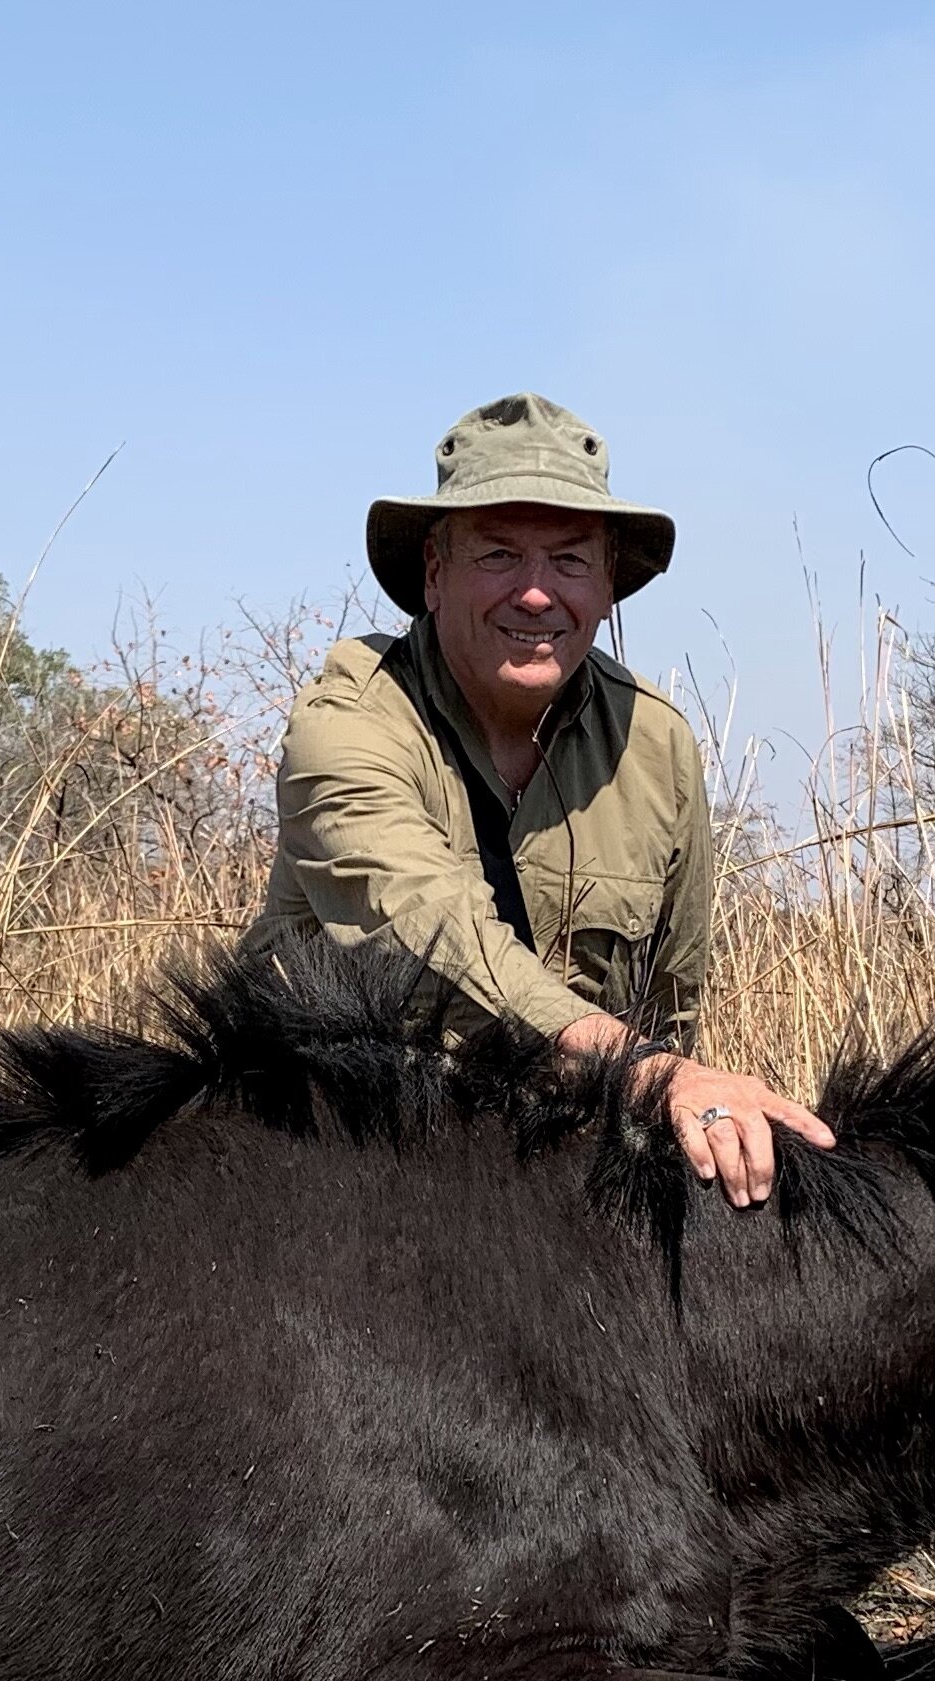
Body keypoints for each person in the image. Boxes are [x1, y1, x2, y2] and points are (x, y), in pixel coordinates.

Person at [241, 393, 832, 1208]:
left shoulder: (655, 745)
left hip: (547, 1185)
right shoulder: (346, 723)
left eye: (568, 560)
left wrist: (675, 1084)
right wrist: (651, 1073)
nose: (534, 593)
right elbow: (429, 931)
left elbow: (669, 1000)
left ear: (607, 586)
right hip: (317, 1166)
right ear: (433, 574)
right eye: (496, 556)